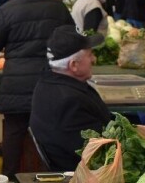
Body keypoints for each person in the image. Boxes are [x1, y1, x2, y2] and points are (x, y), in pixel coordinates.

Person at [0, 0, 75, 176]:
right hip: (52, 83)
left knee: (14, 135)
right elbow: (72, 41)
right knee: (53, 133)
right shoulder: (58, 8)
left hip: (17, 84)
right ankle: (57, 180)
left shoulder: (7, 10)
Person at [30, 25, 113, 172]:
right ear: (74, 65)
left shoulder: (46, 84)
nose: (94, 59)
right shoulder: (70, 102)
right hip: (85, 179)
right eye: (90, 55)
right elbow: (98, 154)